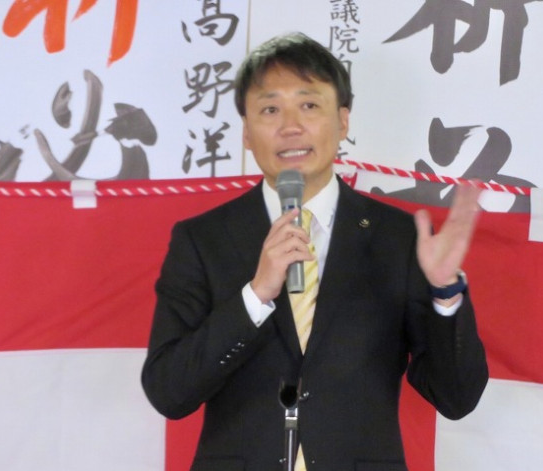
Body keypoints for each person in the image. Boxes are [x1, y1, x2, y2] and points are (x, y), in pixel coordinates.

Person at [142, 32, 488, 471]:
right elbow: (168, 392)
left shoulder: (397, 238)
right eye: (270, 109)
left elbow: (456, 397)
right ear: (246, 132)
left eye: (308, 105)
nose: (290, 126)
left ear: (343, 121)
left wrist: (445, 293)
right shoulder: (202, 239)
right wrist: (255, 296)